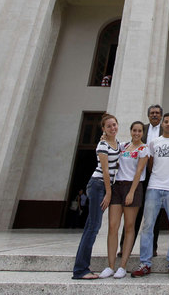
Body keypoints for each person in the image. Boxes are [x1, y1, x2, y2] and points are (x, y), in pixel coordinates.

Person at [132, 113, 169, 279]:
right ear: (162, 124)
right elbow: (150, 165)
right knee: (147, 226)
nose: (168, 124)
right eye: (166, 122)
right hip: (154, 187)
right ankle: (145, 263)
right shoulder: (154, 142)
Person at [72, 113, 121, 280]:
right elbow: (105, 171)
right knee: (93, 227)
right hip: (98, 185)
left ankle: (81, 267)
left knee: (91, 226)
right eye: (109, 126)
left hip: (105, 187)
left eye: (114, 125)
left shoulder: (117, 144)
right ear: (103, 129)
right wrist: (108, 192)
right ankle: (80, 270)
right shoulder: (102, 145)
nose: (112, 128)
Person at [101, 121, 149, 279]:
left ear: (143, 133)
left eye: (139, 131)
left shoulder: (144, 148)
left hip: (133, 187)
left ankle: (122, 266)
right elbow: (110, 144)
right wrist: (104, 137)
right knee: (113, 226)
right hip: (118, 186)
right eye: (134, 130)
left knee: (129, 226)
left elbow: (139, 171)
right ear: (130, 131)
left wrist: (131, 192)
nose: (136, 133)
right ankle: (110, 265)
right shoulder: (123, 146)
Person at [119, 104, 163, 257]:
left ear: (161, 116)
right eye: (152, 113)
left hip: (157, 176)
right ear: (148, 115)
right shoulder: (141, 129)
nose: (155, 115)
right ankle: (125, 247)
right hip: (139, 176)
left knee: (155, 213)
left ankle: (152, 248)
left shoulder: (166, 130)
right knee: (133, 213)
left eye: (157, 113)